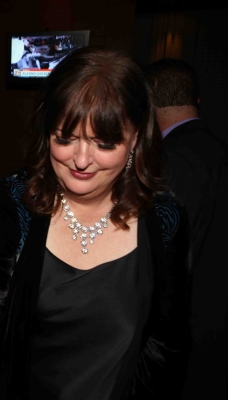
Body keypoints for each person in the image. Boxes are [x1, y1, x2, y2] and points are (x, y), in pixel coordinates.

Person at [0, 46, 191, 399]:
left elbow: (166, 346)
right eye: (65, 138)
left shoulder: (164, 219)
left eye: (104, 143)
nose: (82, 160)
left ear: (135, 138)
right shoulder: (17, 200)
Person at [144, 58, 228, 400]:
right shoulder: (218, 149)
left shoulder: (172, 161)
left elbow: (165, 255)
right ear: (196, 100)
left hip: (188, 329)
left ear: (148, 103)